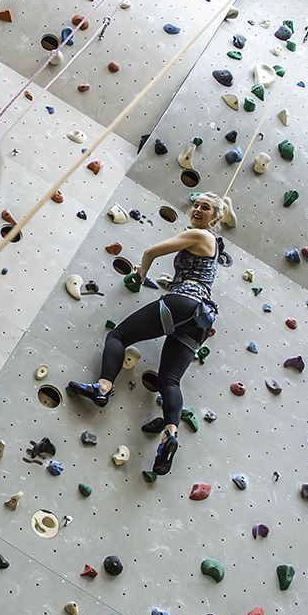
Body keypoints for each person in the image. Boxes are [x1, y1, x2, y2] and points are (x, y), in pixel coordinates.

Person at [68, 192, 224, 475]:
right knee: (169, 380)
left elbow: (152, 251)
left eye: (206, 208)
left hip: (184, 301)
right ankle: (170, 435)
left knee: (118, 337)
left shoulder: (200, 234)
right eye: (196, 204)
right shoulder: (211, 246)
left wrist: (141, 275)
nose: (198, 209)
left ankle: (103, 387)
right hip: (201, 318)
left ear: (214, 218)